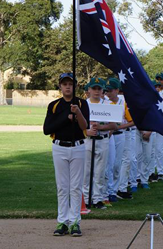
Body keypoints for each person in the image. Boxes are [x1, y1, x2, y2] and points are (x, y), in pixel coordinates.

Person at [43, 72, 90, 237]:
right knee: (62, 187)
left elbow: (85, 126)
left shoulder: (82, 104)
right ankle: (62, 221)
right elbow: (47, 129)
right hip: (59, 147)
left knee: (76, 187)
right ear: (60, 86)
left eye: (70, 84)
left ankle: (75, 221)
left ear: (75, 86)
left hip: (77, 146)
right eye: (64, 84)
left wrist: (77, 113)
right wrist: (66, 117)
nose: (68, 86)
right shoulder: (54, 105)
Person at [83, 77, 117, 209]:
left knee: (100, 172)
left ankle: (97, 198)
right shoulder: (84, 105)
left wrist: (100, 127)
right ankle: (86, 199)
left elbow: (113, 125)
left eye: (99, 88)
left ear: (102, 90)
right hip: (87, 140)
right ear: (89, 90)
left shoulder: (108, 105)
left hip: (102, 139)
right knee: (86, 171)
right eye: (94, 88)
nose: (96, 91)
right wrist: (87, 130)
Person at [105, 78, 135, 202]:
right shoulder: (104, 102)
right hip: (108, 136)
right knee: (108, 165)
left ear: (117, 90)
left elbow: (132, 121)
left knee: (117, 164)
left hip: (120, 134)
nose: (108, 93)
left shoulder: (123, 102)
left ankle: (115, 189)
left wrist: (118, 126)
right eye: (106, 90)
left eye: (111, 90)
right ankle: (108, 191)